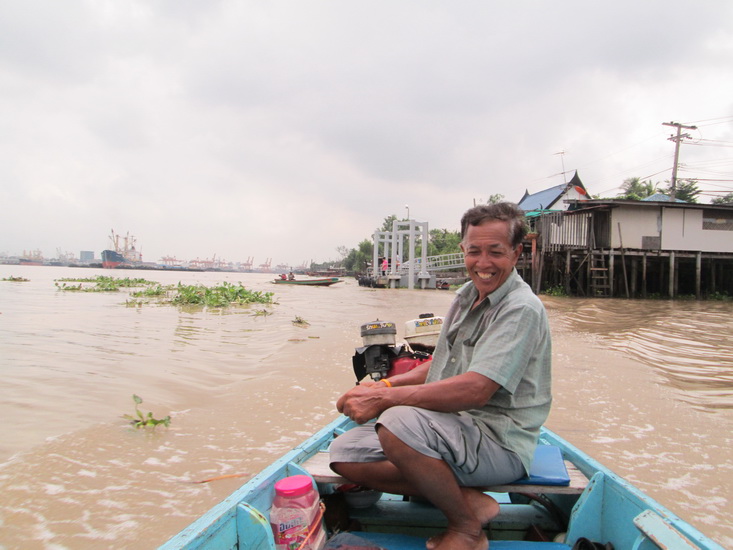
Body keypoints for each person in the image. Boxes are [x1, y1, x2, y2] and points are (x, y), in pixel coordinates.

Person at [330, 202, 552, 550]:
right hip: (454, 427)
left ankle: (465, 528)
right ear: (463, 249)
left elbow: (477, 390)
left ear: (516, 253)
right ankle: (466, 500)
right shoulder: (465, 297)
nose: (483, 263)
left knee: (396, 422)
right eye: (474, 251)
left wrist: (385, 399)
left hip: (499, 441)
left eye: (495, 252)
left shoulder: (520, 308)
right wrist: (384, 384)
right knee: (344, 452)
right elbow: (439, 366)